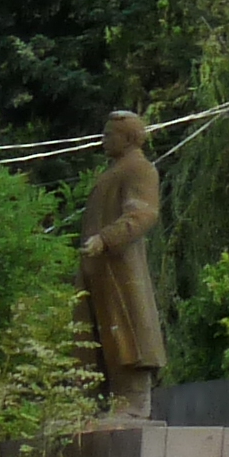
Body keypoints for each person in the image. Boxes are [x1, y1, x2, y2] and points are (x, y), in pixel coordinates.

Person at [80, 109, 168, 420]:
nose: (103, 140)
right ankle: (102, 402)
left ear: (128, 138)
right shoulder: (114, 170)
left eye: (109, 135)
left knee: (128, 333)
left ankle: (133, 404)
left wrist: (106, 238)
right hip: (99, 268)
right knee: (100, 334)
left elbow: (143, 213)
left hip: (121, 267)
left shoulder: (139, 169)